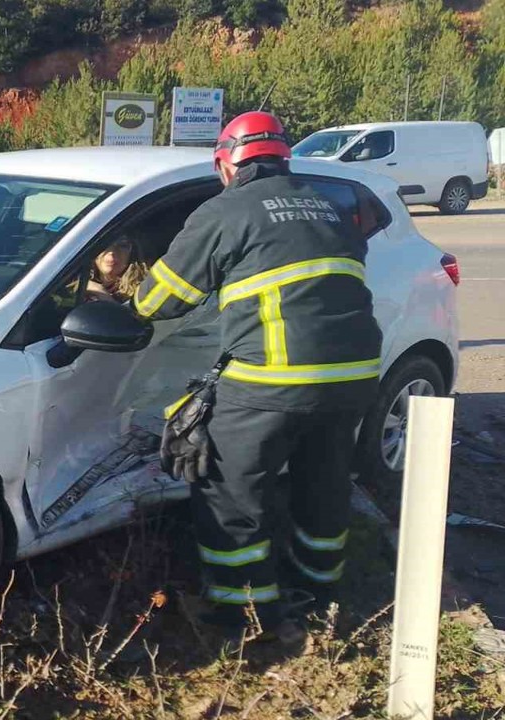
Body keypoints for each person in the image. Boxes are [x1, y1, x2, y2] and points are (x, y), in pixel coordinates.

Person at [133, 111, 382, 641]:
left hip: (274, 377)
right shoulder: (329, 205)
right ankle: (319, 594)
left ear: (226, 164)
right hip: (355, 373)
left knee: (229, 491)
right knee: (324, 481)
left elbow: (158, 301)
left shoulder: (224, 211)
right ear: (283, 158)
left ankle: (242, 614)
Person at [81, 237, 148, 303]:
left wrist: (99, 291)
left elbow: (125, 314)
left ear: (132, 253)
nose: (112, 252)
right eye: (105, 244)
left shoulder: (142, 291)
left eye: (122, 245)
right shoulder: (76, 281)